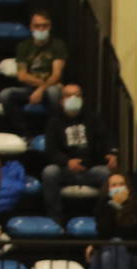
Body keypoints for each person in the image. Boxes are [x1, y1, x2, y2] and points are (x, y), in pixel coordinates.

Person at [40, 85, 118, 226]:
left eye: (77, 95)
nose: (73, 99)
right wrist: (67, 162)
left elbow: (107, 138)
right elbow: (50, 150)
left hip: (90, 169)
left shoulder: (93, 119)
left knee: (108, 175)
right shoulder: (54, 122)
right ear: (62, 100)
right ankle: (55, 220)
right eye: (69, 95)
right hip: (65, 170)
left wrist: (112, 153)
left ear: (82, 99)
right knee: (49, 172)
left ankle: (104, 218)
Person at [0, 9, 67, 134]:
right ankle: (24, 132)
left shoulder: (58, 45)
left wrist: (41, 90)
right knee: (5, 95)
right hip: (29, 89)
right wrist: (40, 86)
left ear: (50, 26)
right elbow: (22, 76)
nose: (41, 29)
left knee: (53, 93)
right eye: (37, 26)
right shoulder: (24, 46)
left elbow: (56, 75)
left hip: (50, 88)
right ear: (31, 27)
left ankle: (53, 132)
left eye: (44, 25)